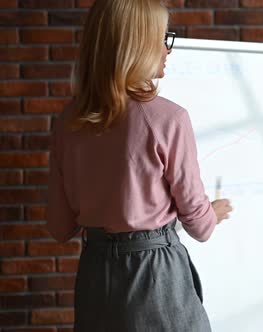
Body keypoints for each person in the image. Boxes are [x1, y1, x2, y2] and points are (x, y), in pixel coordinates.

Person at [46, 0, 232, 331]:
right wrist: (213, 213)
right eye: (162, 38)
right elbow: (199, 226)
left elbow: (61, 228)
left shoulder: (66, 123)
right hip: (153, 278)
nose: (167, 50)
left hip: (94, 277)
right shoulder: (169, 119)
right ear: (138, 46)